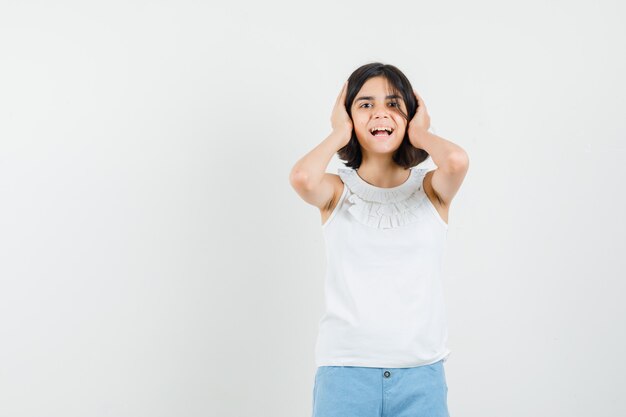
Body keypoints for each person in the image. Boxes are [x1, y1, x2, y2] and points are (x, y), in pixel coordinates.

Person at [289, 62, 469, 417]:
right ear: (348, 116)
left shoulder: (431, 189)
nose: (380, 114)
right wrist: (338, 134)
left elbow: (456, 161)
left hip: (420, 374)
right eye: (365, 105)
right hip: (345, 372)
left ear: (411, 116)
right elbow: (303, 178)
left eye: (393, 104)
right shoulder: (337, 190)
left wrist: (422, 135)